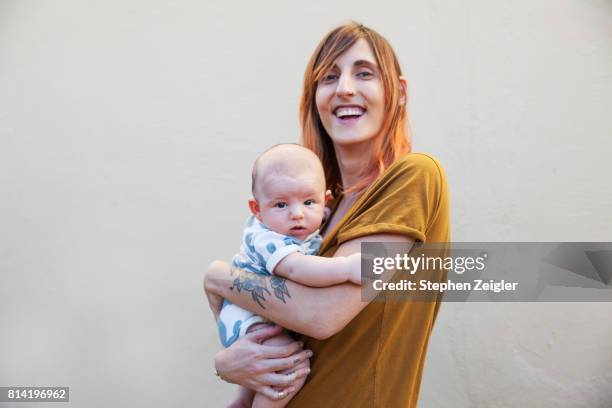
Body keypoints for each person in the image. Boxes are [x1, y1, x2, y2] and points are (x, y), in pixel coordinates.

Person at [204, 22, 450, 408]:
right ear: (314, 97)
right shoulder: (317, 212)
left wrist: (218, 277)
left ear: (398, 92)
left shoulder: (415, 175)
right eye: (329, 77)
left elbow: (319, 315)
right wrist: (228, 363)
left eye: (364, 73)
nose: (345, 88)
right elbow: (279, 322)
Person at [211, 144, 362, 407]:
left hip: (255, 310)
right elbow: (298, 269)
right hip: (249, 315)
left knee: (265, 368)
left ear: (325, 201)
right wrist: (347, 268)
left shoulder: (294, 223)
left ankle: (243, 400)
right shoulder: (269, 239)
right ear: (256, 209)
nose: (297, 214)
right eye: (281, 204)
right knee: (286, 368)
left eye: (308, 202)